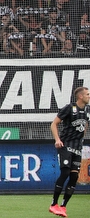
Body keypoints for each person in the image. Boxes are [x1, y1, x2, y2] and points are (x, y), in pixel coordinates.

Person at [50, 86, 90, 216]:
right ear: (80, 96)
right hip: (65, 145)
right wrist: (57, 139)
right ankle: (53, 204)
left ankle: (63, 207)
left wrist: (82, 138)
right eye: (88, 94)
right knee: (65, 172)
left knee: (74, 177)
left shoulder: (88, 110)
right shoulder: (70, 108)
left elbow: (85, 124)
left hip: (77, 147)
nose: (89, 96)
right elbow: (54, 123)